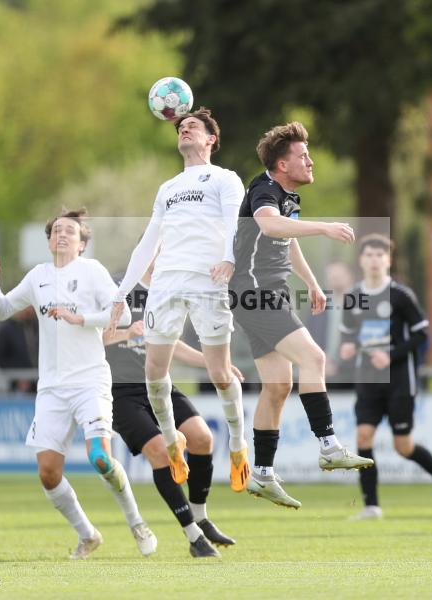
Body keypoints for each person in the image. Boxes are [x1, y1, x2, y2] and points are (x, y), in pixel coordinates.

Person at [0, 208, 157, 560]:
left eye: (69, 231)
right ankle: (87, 534)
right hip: (51, 388)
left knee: (99, 459)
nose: (61, 235)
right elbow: (0, 310)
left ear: (81, 244)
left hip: (90, 380)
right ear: (48, 241)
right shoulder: (38, 277)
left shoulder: (92, 271)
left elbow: (119, 313)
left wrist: (81, 319)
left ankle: (137, 522)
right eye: (56, 230)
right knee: (48, 473)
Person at [229, 121, 372, 509]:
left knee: (278, 386)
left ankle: (261, 474)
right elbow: (269, 224)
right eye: (302, 155)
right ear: (281, 164)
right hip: (254, 291)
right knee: (315, 358)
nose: (310, 161)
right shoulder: (264, 188)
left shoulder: (287, 195)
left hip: (266, 292)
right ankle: (328, 445)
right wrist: (324, 228)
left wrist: (309, 282)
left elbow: (285, 237)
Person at [109, 107, 249, 492]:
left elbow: (236, 221)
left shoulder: (225, 178)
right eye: (181, 127)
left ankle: (238, 447)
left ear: (210, 140)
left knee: (220, 374)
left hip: (208, 282)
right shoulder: (167, 188)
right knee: (155, 373)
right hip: (166, 284)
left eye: (193, 127)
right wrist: (122, 294)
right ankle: (173, 443)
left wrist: (229, 258)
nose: (184, 130)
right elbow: (147, 243)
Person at [104, 265, 240, 558]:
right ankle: (193, 535)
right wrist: (127, 332)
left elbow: (173, 344)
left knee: (203, 438)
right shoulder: (118, 287)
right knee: (162, 453)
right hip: (120, 392)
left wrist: (215, 364)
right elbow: (90, 336)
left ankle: (202, 518)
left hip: (158, 384)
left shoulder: (169, 288)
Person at [340, 235, 432, 519]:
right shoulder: (353, 297)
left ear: (388, 260)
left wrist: (390, 354)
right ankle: (371, 506)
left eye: (379, 255)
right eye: (368, 255)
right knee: (363, 436)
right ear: (361, 260)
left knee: (403, 445)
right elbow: (349, 335)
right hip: (368, 379)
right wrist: (347, 347)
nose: (374, 260)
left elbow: (421, 334)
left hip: (399, 379)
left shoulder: (401, 296)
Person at [307, 260, 355, 390]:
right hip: (323, 370)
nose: (335, 280)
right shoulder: (318, 303)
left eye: (339, 276)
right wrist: (323, 360)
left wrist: (339, 364)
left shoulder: (361, 303)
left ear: (349, 276)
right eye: (331, 277)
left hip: (354, 372)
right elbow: (310, 335)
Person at [0, 307, 38, 393]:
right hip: (17, 386)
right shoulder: (6, 330)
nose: (28, 310)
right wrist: (17, 379)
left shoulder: (38, 327)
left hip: (39, 382)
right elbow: (0, 358)